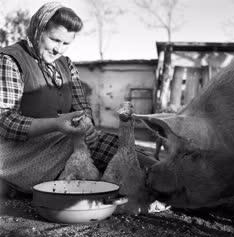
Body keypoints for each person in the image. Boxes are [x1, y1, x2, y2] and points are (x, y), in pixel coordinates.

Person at [0, 2, 157, 194]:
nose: (59, 49)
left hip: (65, 141)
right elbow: (5, 121)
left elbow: (81, 105)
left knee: (128, 153)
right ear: (37, 30)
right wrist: (57, 124)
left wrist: (88, 124)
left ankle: (178, 184)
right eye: (54, 40)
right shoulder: (10, 60)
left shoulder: (66, 65)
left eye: (66, 43)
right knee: (103, 171)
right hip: (23, 154)